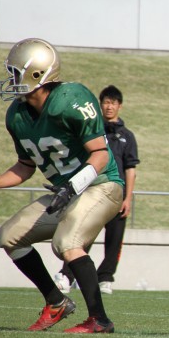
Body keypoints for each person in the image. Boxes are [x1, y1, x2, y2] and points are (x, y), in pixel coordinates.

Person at [0, 38, 123, 334]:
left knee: (66, 244)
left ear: (36, 74)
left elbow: (100, 155)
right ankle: (56, 302)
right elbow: (26, 166)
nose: (11, 79)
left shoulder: (70, 100)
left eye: (15, 73)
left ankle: (99, 319)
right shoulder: (17, 115)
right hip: (65, 194)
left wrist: (71, 187)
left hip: (101, 186)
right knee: (9, 237)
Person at [55, 85, 140, 295]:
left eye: (113, 103)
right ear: (100, 105)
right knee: (81, 234)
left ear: (120, 106)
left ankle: (105, 278)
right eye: (106, 102)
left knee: (114, 240)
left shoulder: (127, 136)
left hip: (117, 194)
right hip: (92, 191)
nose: (109, 106)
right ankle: (67, 276)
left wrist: (128, 198)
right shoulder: (93, 130)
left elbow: (130, 169)